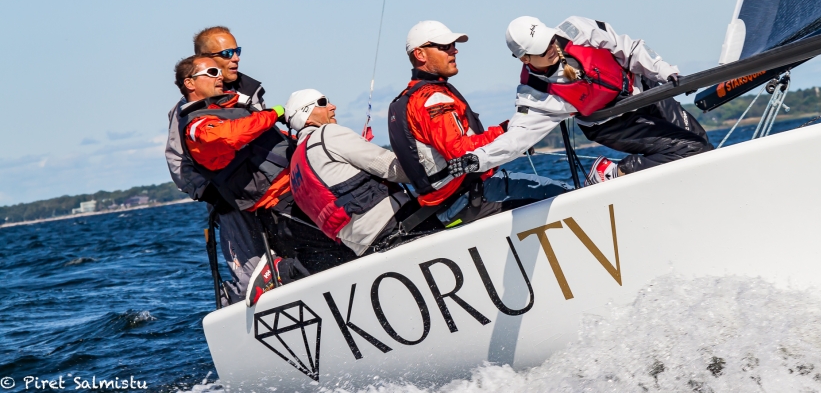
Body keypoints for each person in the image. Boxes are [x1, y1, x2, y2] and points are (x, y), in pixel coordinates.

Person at [174, 55, 354, 306]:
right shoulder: (197, 124)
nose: (219, 77)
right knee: (331, 253)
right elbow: (229, 137)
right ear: (190, 83)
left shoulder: (230, 108)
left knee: (342, 244)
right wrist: (272, 113)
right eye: (212, 72)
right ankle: (278, 273)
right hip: (277, 201)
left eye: (219, 72)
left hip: (298, 186)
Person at [452, 16, 712, 185]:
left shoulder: (577, 29)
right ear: (525, 59)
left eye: (550, 40)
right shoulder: (535, 95)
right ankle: (612, 173)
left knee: (703, 145)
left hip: (645, 91)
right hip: (611, 123)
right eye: (543, 49)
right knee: (691, 149)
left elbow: (629, 48)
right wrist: (479, 159)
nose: (552, 47)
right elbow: (515, 139)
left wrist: (663, 70)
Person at [388, 21, 569, 229]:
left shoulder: (404, 100)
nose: (454, 50)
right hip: (467, 198)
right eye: (445, 46)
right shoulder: (433, 99)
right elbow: (460, 153)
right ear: (420, 54)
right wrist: (508, 132)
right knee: (565, 196)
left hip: (452, 202)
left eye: (453, 45)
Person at [164, 27, 269, 306]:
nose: (235, 59)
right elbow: (177, 161)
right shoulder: (187, 109)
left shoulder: (251, 91)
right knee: (251, 274)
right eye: (226, 54)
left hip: (269, 192)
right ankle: (239, 312)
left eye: (237, 51)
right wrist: (212, 195)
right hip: (229, 201)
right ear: (202, 59)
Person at [284, 89, 438, 255]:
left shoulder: (295, 166)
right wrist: (437, 172)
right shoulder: (327, 134)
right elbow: (389, 166)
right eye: (322, 103)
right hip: (399, 223)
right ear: (304, 115)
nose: (333, 106)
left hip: (365, 248)